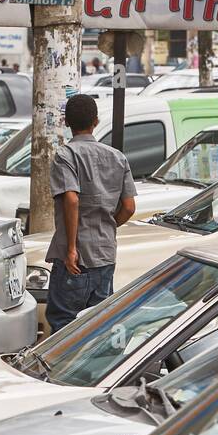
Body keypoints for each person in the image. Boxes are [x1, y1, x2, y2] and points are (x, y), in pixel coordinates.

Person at [45, 93, 137, 334]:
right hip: (105, 254)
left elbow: (72, 199)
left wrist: (72, 248)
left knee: (64, 324)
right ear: (95, 121)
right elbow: (129, 207)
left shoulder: (66, 155)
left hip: (76, 258)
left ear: (66, 122)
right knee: (98, 327)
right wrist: (108, 226)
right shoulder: (118, 157)